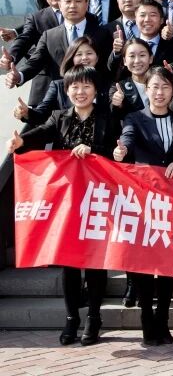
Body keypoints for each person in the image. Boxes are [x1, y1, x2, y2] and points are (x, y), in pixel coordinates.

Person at [7, 66, 111, 346]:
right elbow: (39, 134)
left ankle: (94, 317)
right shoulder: (59, 117)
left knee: (95, 262)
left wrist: (93, 151)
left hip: (98, 201)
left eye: (86, 86)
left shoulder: (108, 118)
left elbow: (119, 154)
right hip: (67, 202)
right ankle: (71, 318)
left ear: (95, 90)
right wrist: (20, 142)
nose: (80, 92)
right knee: (68, 262)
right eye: (74, 87)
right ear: (66, 91)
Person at [116, 67, 173, 346]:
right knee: (143, 261)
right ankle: (147, 316)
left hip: (172, 203)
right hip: (142, 202)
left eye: (165, 87)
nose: (159, 93)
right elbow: (127, 138)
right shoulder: (135, 118)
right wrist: (121, 150)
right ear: (146, 90)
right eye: (154, 87)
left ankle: (163, 317)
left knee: (169, 262)